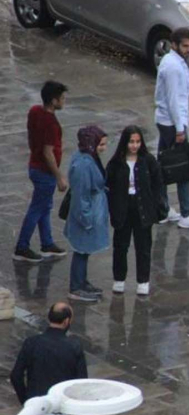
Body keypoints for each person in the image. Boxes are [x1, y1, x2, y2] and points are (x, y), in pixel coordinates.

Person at [155, 27, 189, 230]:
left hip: (169, 121)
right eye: (185, 46)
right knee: (183, 167)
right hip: (172, 123)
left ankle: (162, 208)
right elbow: (174, 100)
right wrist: (180, 129)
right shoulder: (173, 67)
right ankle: (186, 212)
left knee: (164, 164)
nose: (188, 50)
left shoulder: (174, 63)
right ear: (175, 44)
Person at [106, 125, 165, 296]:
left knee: (143, 246)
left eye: (138, 142)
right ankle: (119, 279)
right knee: (120, 246)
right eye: (131, 142)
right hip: (123, 208)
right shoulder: (116, 163)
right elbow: (109, 185)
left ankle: (143, 280)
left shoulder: (148, 160)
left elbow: (158, 184)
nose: (134, 145)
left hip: (143, 208)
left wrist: (156, 205)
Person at [14, 80, 69, 263]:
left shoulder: (35, 112)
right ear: (54, 101)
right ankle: (22, 247)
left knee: (45, 207)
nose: (64, 101)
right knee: (37, 209)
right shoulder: (51, 124)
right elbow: (48, 152)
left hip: (34, 165)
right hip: (44, 172)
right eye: (61, 98)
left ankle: (47, 243)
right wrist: (59, 176)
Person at [64, 126, 109, 303]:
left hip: (91, 211)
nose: (103, 148)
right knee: (81, 250)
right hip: (86, 215)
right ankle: (76, 285)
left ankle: (81, 281)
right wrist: (87, 219)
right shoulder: (84, 164)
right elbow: (81, 196)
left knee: (85, 250)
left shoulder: (88, 158)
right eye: (101, 144)